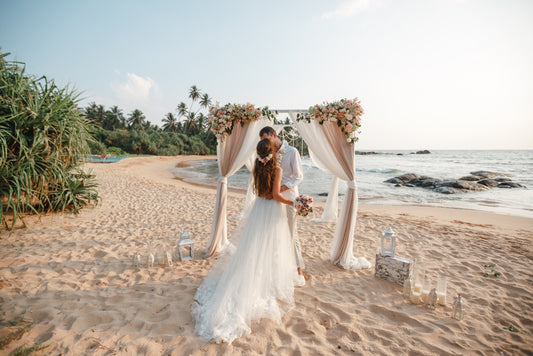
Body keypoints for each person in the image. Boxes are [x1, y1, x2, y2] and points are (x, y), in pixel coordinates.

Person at [192, 139, 297, 344]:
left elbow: (260, 193)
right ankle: (266, 283)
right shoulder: (276, 169)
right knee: (270, 247)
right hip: (271, 210)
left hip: (259, 209)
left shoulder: (257, 168)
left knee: (253, 248)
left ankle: (253, 279)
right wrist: (294, 201)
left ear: (258, 154)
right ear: (273, 152)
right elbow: (275, 195)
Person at [259, 126, 305, 287]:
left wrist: (279, 189)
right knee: (273, 233)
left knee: (292, 235)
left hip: (288, 197)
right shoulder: (267, 154)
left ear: (274, 135)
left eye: (267, 139)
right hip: (271, 199)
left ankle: (298, 270)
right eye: (263, 141)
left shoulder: (292, 152)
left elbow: (298, 176)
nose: (266, 142)